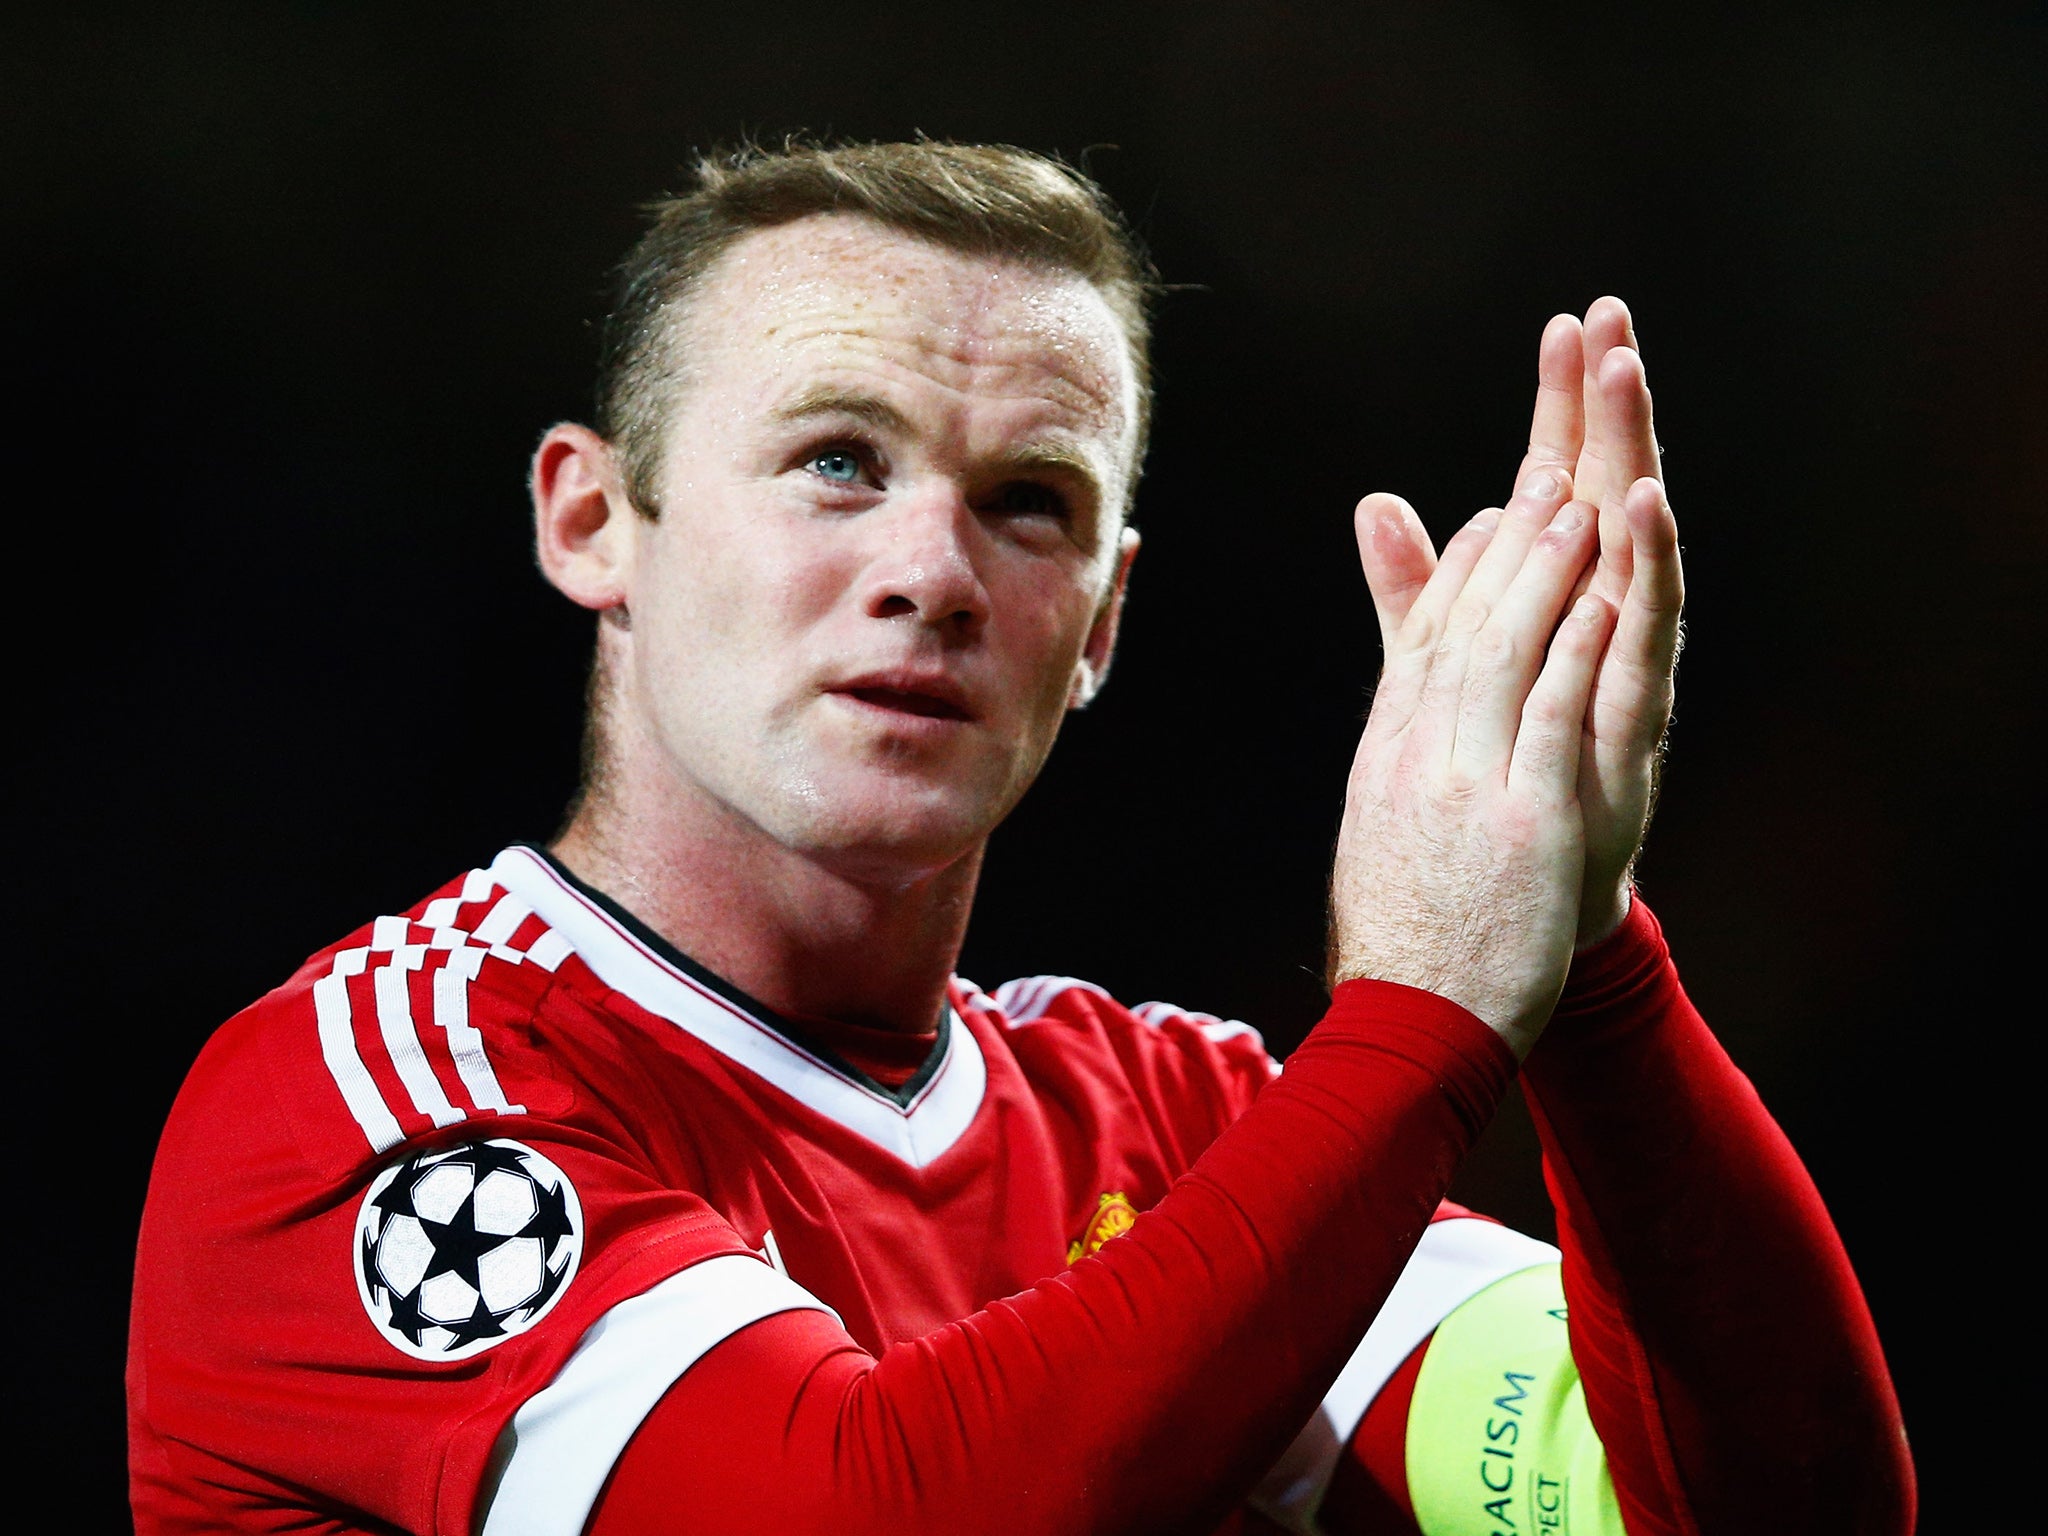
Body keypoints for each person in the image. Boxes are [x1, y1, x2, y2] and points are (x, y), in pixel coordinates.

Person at [127, 140, 1912, 1536]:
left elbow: (1763, 1509)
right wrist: (1430, 1015)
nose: (933, 573)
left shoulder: (1171, 1128)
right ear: (598, 522)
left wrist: (1586, 959)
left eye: (1027, 503)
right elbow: (884, 1514)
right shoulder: (369, 1097)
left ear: (1107, 622)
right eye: (837, 458)